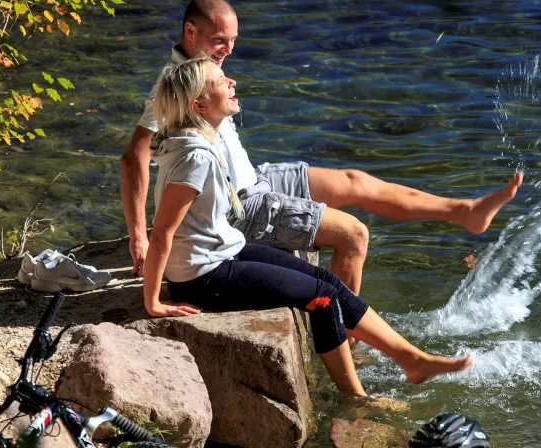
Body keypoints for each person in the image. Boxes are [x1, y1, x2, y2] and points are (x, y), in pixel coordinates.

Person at [122, 0, 523, 296]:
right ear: (190, 32)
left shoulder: (203, 67)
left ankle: (465, 212)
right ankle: (348, 345)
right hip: (243, 206)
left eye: (234, 41)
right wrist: (139, 234)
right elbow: (134, 155)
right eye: (219, 40)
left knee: (356, 181)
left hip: (255, 179)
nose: (229, 50)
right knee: (354, 236)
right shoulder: (175, 82)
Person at [141, 57, 473, 398]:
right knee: (323, 299)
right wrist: (153, 300)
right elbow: (164, 230)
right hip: (204, 277)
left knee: (328, 282)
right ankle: (357, 399)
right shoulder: (194, 157)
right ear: (199, 104)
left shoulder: (198, 140)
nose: (233, 82)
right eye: (222, 81)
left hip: (224, 252)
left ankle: (411, 359)